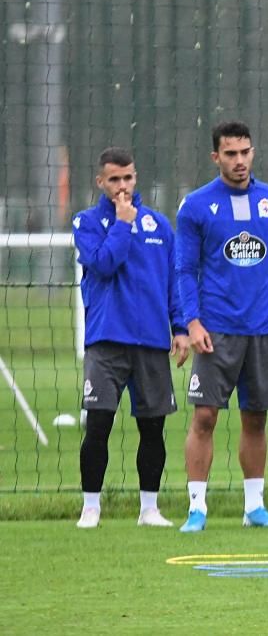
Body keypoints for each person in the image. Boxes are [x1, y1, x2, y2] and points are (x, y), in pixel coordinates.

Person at [175, 121, 268, 533]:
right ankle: (197, 508)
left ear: (253, 152)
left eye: (245, 152)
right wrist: (192, 322)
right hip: (216, 331)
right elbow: (184, 270)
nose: (239, 161)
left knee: (256, 419)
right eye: (230, 154)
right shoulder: (196, 206)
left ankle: (255, 508)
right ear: (216, 157)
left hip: (262, 328)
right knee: (205, 418)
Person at [72, 147, 189, 529]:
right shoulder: (87, 223)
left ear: (135, 178)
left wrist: (181, 328)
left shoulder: (159, 225)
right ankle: (91, 506)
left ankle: (149, 508)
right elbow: (104, 264)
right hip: (107, 340)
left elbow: (173, 284)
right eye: (114, 179)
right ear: (100, 182)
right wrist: (122, 224)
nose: (122, 186)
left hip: (152, 342)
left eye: (128, 178)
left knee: (152, 427)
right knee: (99, 423)